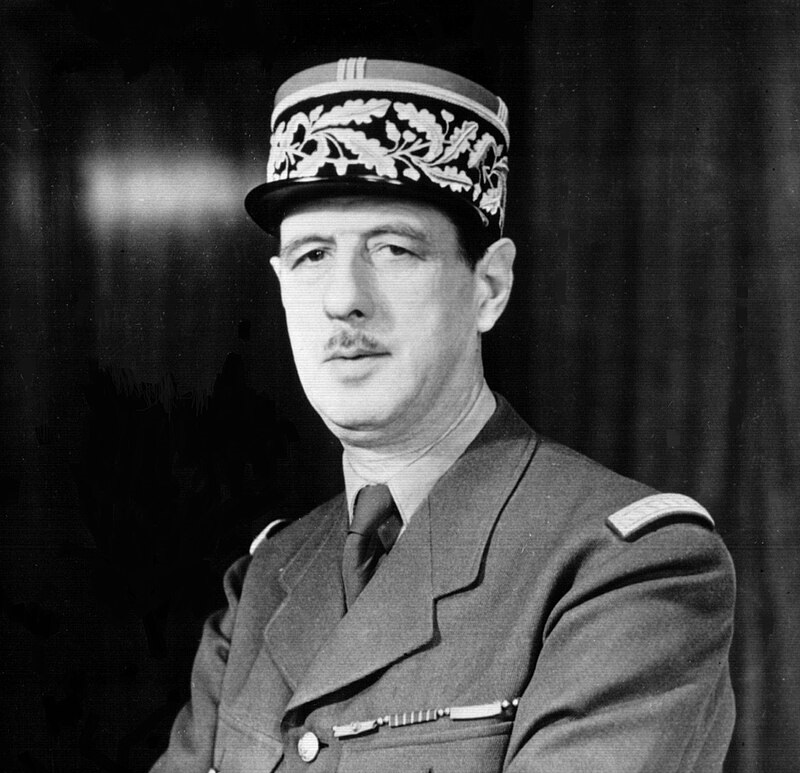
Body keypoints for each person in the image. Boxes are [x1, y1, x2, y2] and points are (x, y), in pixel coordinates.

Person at [152, 57, 735, 773]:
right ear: (280, 286)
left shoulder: (627, 567)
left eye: (393, 249)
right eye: (311, 255)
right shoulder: (262, 586)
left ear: (490, 286)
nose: (343, 298)